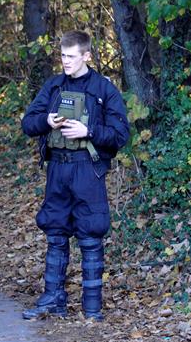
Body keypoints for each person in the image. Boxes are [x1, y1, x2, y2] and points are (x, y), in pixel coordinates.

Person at [21, 30, 129, 322]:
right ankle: (53, 300)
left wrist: (88, 131)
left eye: (70, 56)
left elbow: (121, 135)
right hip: (58, 169)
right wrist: (46, 120)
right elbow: (28, 123)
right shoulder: (54, 86)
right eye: (63, 56)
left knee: (91, 234)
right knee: (55, 232)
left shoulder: (104, 90)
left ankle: (92, 308)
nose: (65, 61)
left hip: (87, 170)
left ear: (87, 56)